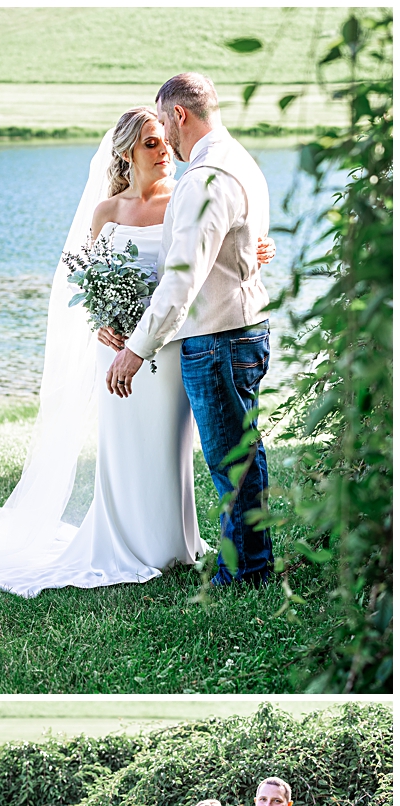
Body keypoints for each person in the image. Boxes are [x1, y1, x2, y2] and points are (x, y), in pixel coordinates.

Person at [0, 97, 275, 596]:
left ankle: (175, 541)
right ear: (126, 155)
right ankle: (122, 538)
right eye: (149, 145)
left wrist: (255, 248)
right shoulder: (106, 212)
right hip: (117, 347)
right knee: (124, 448)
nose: (162, 153)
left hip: (171, 345)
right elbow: (91, 280)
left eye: (164, 141)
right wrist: (103, 324)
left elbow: (207, 256)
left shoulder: (187, 193)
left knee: (171, 446)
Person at [106, 72, 276, 586]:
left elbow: (182, 282)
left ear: (179, 115)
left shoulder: (204, 178)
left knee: (232, 461)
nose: (168, 144)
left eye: (166, 126)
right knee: (243, 454)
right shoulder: (237, 159)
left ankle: (245, 573)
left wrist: (135, 349)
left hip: (219, 337)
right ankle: (252, 563)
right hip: (244, 328)